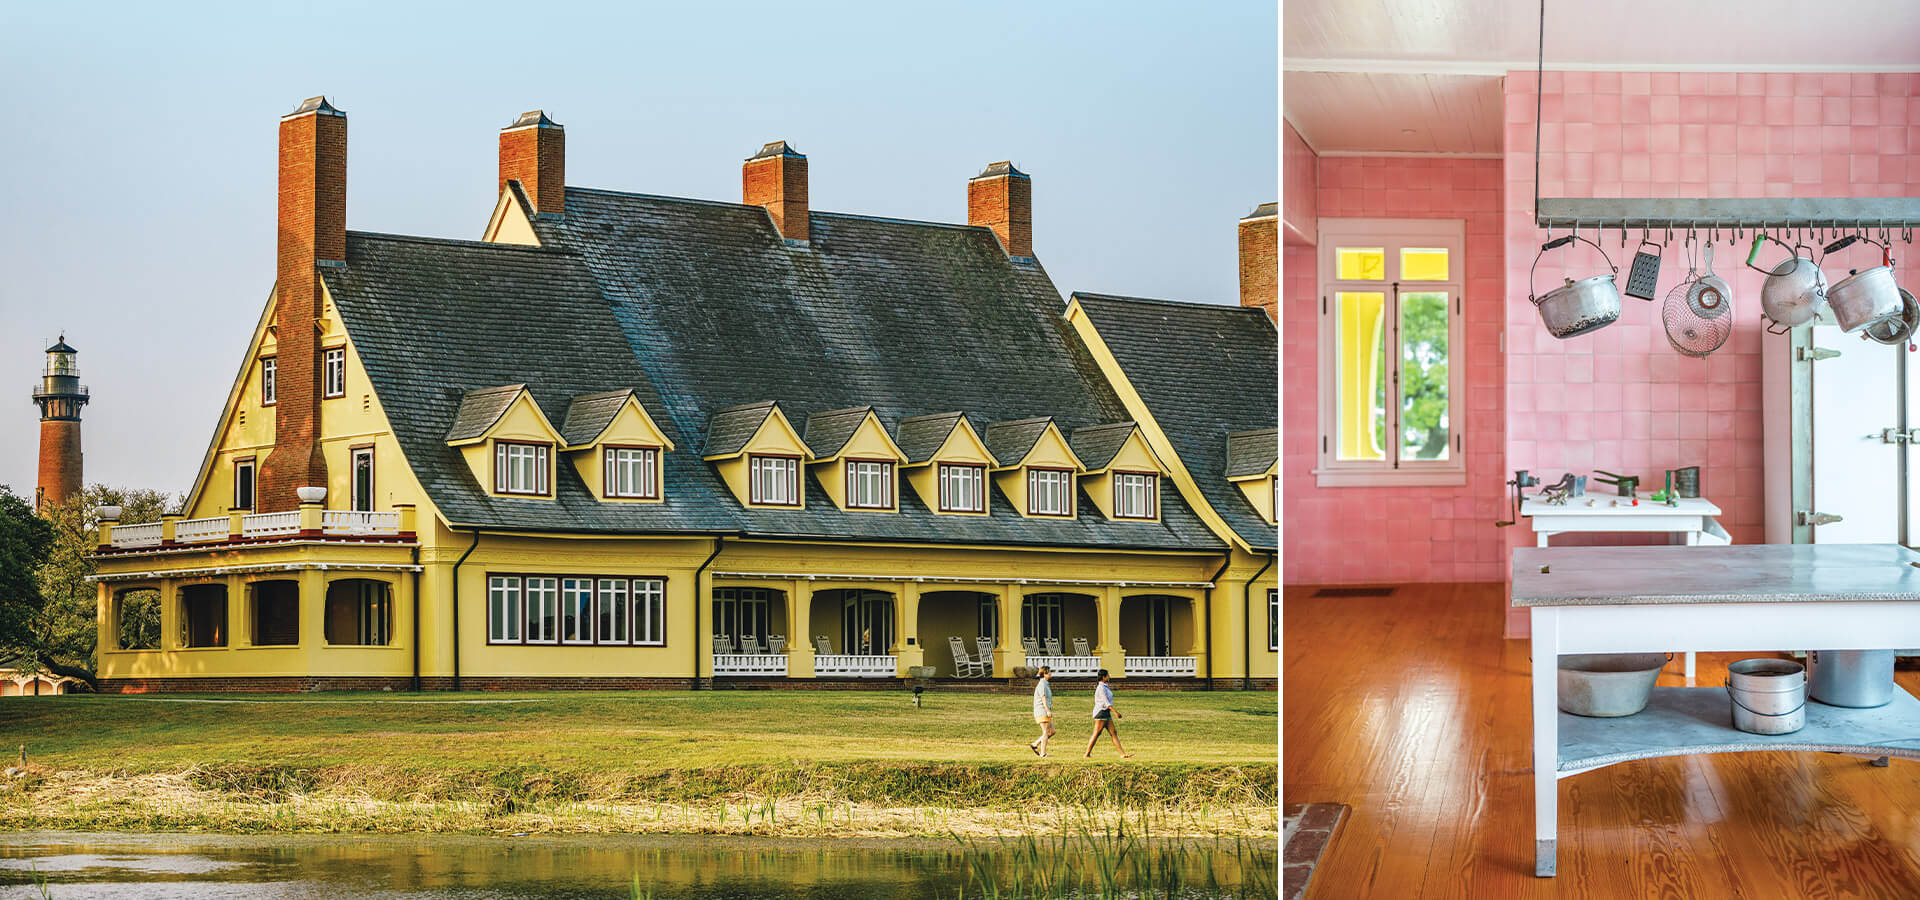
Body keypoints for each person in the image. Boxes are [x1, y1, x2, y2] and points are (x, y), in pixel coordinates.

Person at [1084, 669, 1132, 759]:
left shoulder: (1105, 686)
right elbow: (1106, 702)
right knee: (1096, 733)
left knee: (1113, 733)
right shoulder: (1101, 688)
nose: (1109, 676)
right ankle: (1087, 754)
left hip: (1106, 712)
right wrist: (1116, 712)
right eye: (1107, 675)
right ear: (1103, 677)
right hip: (1101, 712)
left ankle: (1122, 754)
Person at [1028, 666, 1054, 756]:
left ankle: (1035, 744)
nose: (1051, 674)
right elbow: (1043, 699)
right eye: (1049, 672)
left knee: (1052, 731)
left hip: (1045, 710)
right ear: (1044, 674)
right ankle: (1043, 754)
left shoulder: (1046, 683)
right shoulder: (1042, 684)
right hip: (1042, 711)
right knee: (1046, 732)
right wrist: (1047, 711)